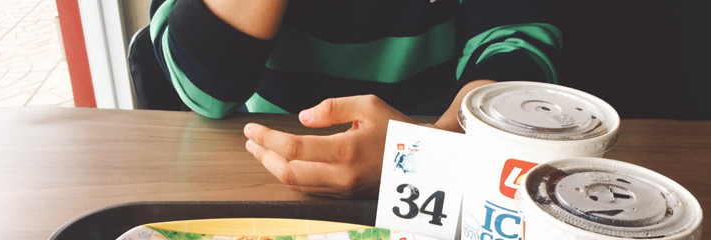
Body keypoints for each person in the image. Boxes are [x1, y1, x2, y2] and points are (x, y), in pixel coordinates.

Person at [149, 0, 561, 197]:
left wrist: (430, 152)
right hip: (261, 178)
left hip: (444, 181)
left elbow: (515, 43)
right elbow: (202, 92)